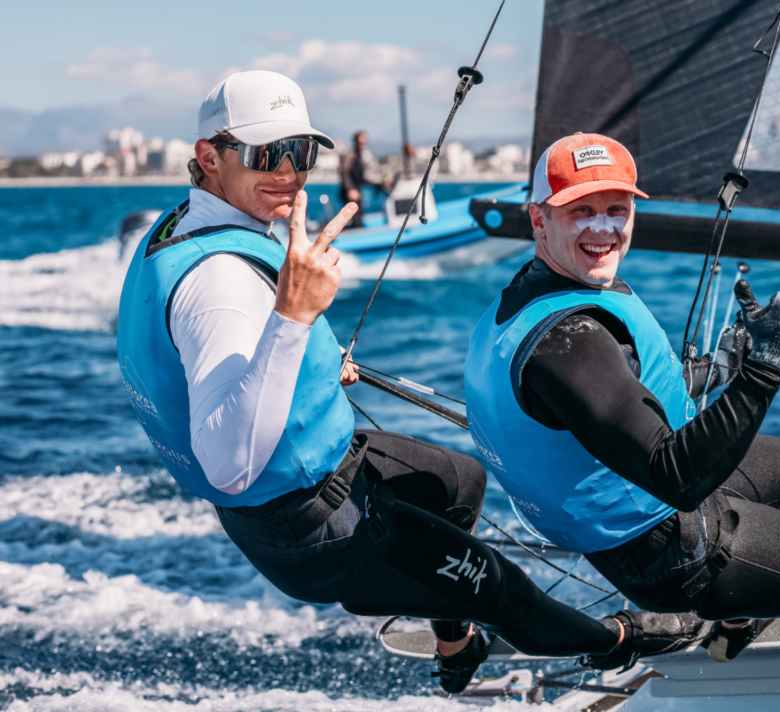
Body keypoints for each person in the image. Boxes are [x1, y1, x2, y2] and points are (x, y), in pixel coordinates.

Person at [116, 74, 712, 695]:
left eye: (302, 152)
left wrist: (308, 358)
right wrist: (294, 318)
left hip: (329, 473)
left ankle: (452, 645)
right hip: (307, 527)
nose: (289, 172)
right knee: (504, 591)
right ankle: (622, 640)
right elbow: (228, 466)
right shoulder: (219, 283)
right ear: (209, 156)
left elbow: (224, 358)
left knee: (458, 482)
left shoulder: (184, 225)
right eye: (267, 154)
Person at [464, 132, 780, 681]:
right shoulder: (569, 343)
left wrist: (725, 367)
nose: (604, 228)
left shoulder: (536, 295)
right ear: (539, 218)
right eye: (581, 212)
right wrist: (768, 367)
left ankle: (735, 619)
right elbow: (676, 479)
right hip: (662, 552)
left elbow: (620, 397)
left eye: (616, 210)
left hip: (635, 504)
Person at [338, 130, 383, 227]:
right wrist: (350, 189)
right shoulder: (350, 155)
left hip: (358, 190)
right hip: (350, 192)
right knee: (353, 218)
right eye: (360, 142)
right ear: (355, 141)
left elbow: (362, 176)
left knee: (359, 217)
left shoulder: (361, 156)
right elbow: (344, 172)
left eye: (364, 142)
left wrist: (378, 183)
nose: (362, 144)